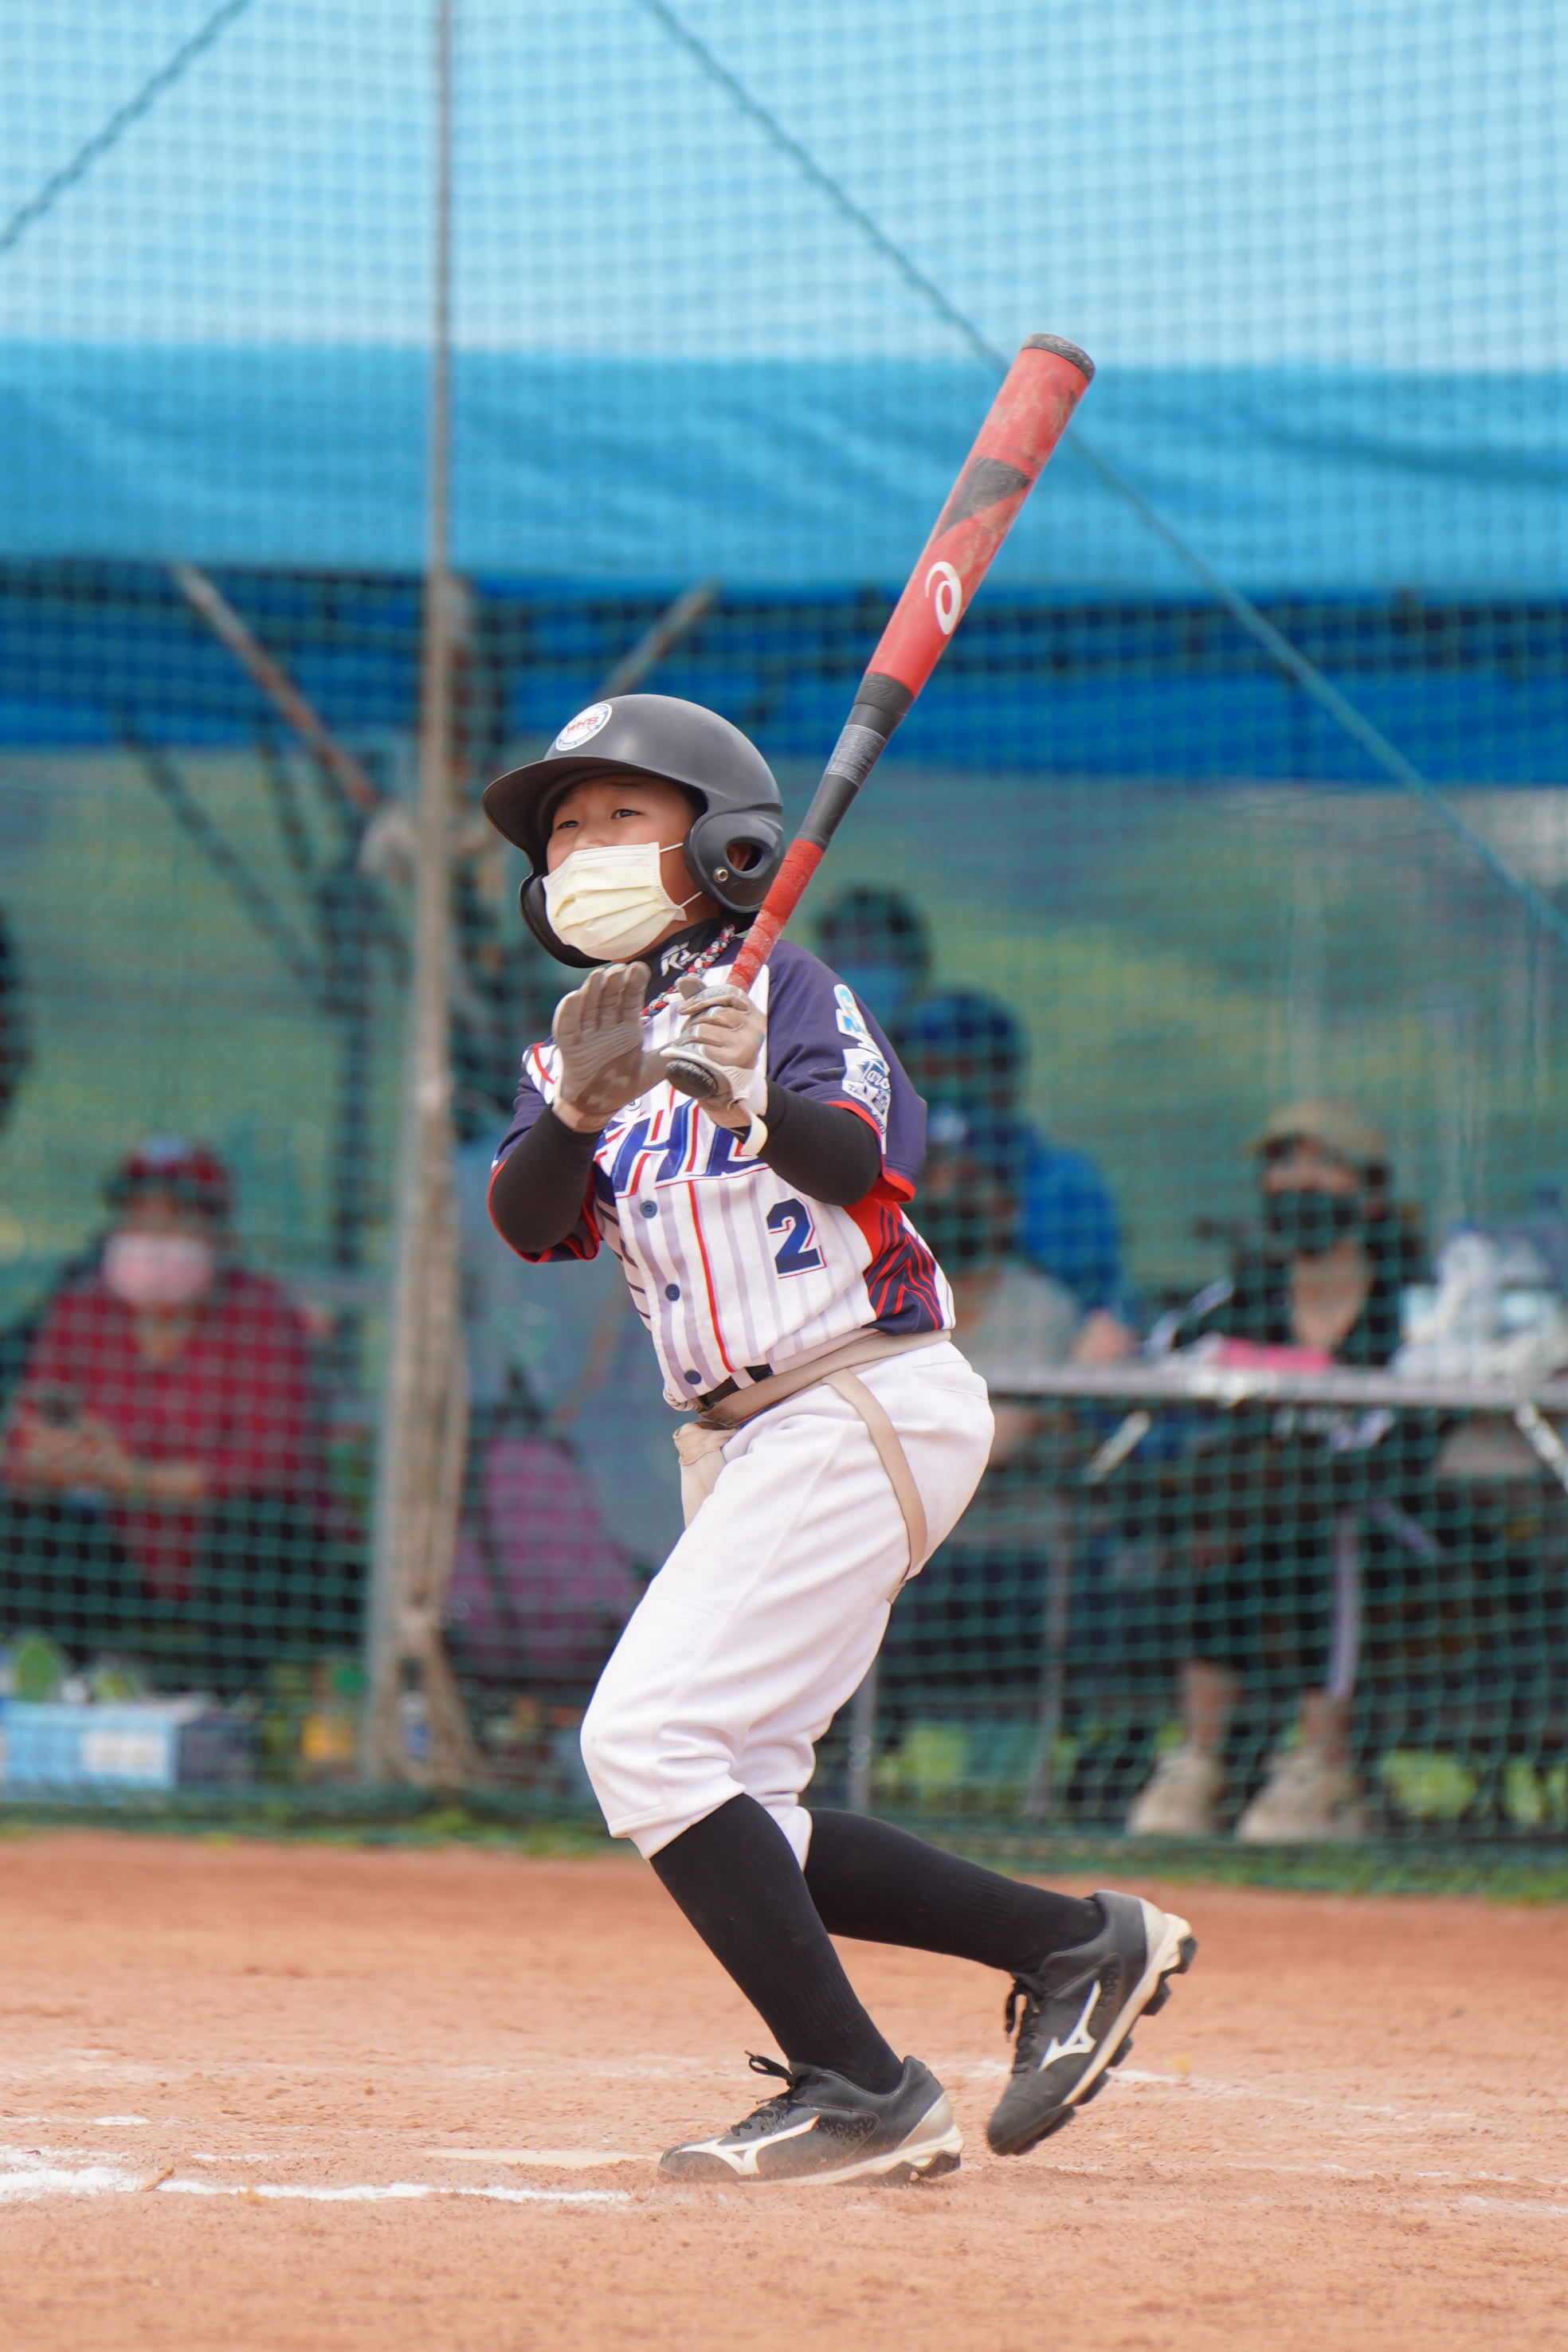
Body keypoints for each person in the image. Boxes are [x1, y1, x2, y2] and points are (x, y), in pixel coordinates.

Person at [480, 692, 1196, 2186]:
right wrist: (580, 1111)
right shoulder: (577, 1048)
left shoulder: (792, 991)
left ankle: (859, 2086)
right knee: (733, 1801)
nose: (583, 848)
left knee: (642, 1741)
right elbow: (530, 1222)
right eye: (564, 829)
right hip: (744, 1441)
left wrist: (751, 1095)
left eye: (620, 816)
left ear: (723, 845)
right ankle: (1074, 1944)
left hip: (858, 1392)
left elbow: (865, 1160)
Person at [1115, 1099, 1427, 1840]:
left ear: (1370, 1192)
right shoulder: (1238, 1301)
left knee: (1330, 1526)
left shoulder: (1415, 1305)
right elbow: (1160, 1367)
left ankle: (1324, 1768)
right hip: (1264, 1521)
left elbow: (1425, 1429)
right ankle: (1201, 1762)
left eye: (1324, 1166)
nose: (1297, 1183)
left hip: (1405, 1527)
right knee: (1229, 1525)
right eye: (1283, 1166)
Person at [2, 1138, 353, 1688]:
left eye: (174, 1222)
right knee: (28, 1529)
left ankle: (237, 1704)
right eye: (137, 1220)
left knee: (251, 1531)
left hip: (242, 1564)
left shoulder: (263, 1314)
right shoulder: (79, 1309)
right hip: (122, 1548)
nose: (152, 1240)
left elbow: (268, 1464)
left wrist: (132, 1476)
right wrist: (58, 1461)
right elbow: (26, 1443)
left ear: (219, 1234)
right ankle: (55, 1695)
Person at [892, 989, 1124, 1311]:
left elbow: (1097, 1303)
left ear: (1003, 1081)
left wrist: (997, 1211)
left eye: (960, 1072)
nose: (946, 1092)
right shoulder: (886, 1173)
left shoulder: (1061, 1180)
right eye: (927, 1075)